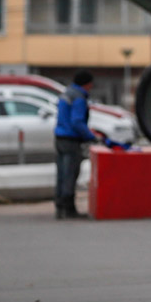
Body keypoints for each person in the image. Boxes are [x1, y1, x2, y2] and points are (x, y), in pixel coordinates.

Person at [54, 69, 97, 219]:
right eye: (91, 84)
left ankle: (59, 208)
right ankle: (69, 209)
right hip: (71, 140)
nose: (91, 87)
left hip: (60, 138)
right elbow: (77, 121)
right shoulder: (78, 98)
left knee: (61, 174)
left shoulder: (67, 93)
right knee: (70, 174)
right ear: (87, 84)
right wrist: (91, 136)